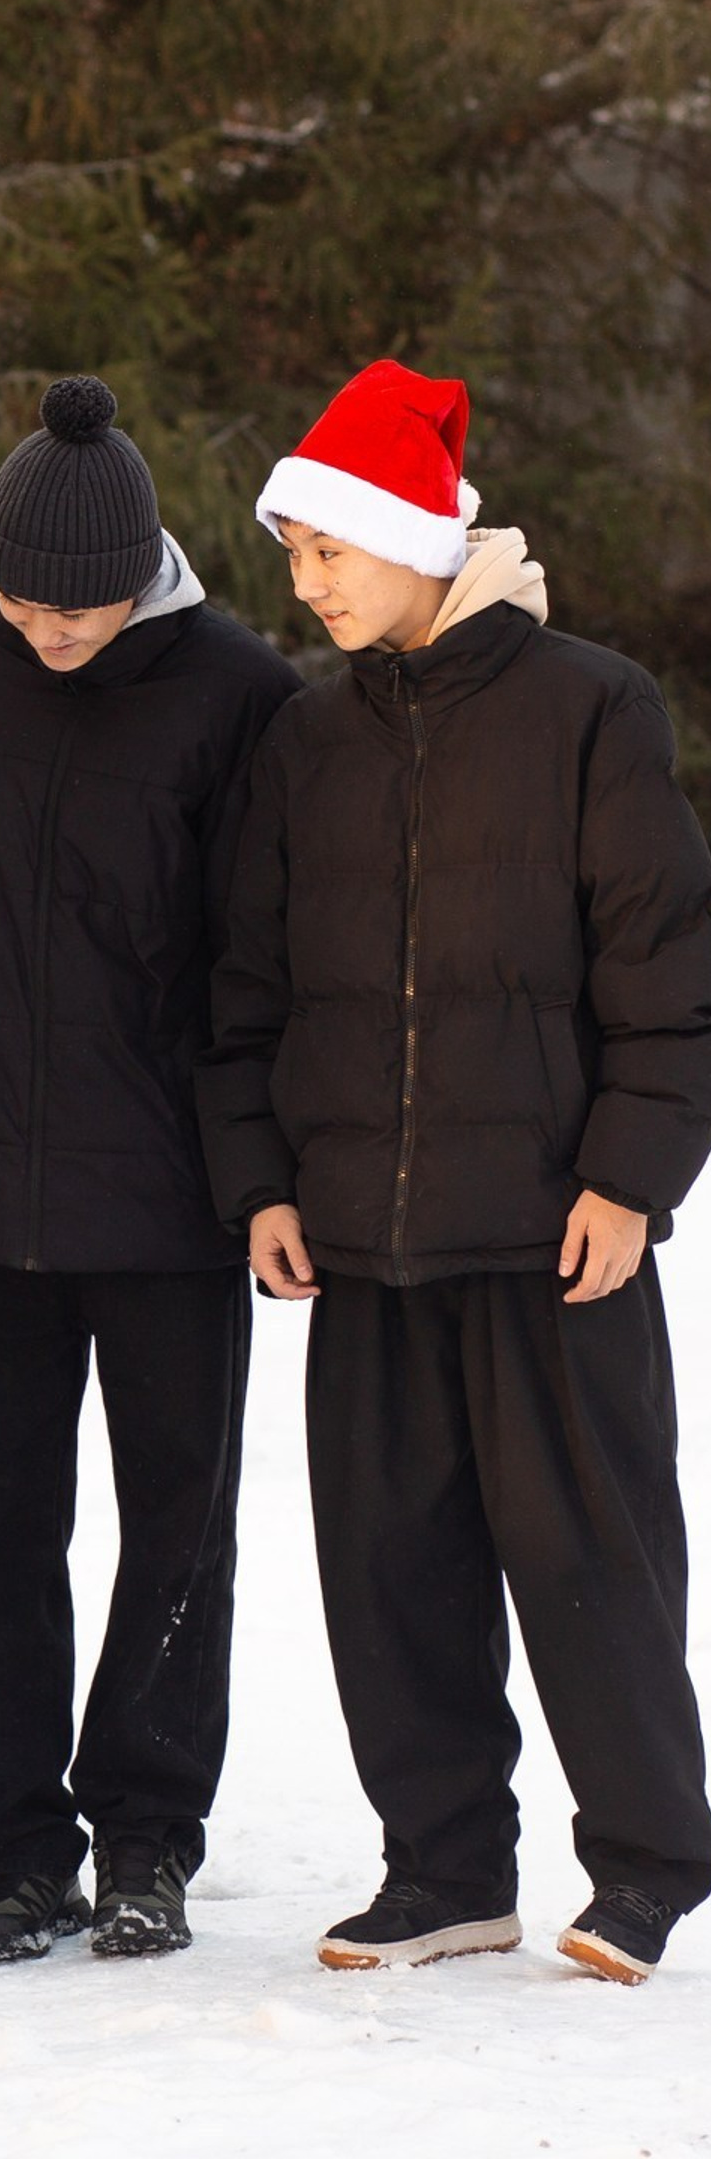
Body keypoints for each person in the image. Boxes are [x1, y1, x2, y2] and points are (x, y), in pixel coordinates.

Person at [199, 358, 711, 1985]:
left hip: (555, 1234)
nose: (309, 584)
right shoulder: (306, 739)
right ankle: (443, 1872)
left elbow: (665, 968)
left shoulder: (592, 708)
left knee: (592, 1559)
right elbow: (248, 989)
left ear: (417, 533)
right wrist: (265, 1181)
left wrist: (629, 1176)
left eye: (329, 551)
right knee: (388, 1567)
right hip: (363, 1236)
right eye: (294, 560)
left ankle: (646, 1863)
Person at [0, 376, 302, 1965]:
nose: (50, 629)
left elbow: (270, 955)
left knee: (178, 1531)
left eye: (81, 605)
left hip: (167, 1200)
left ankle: (149, 1838)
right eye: (24, 596)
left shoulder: (237, 693)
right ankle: (16, 1848)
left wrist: (264, 1171)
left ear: (147, 568)